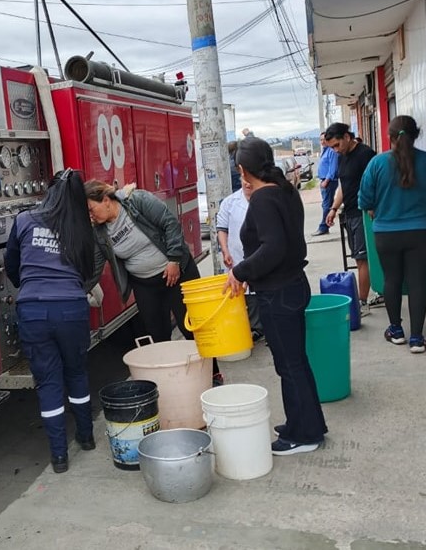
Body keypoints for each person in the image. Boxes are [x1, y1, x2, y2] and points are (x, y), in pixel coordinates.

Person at [225, 137, 327, 455]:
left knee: (290, 365)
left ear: (242, 168)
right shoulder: (284, 190)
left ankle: (304, 435)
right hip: (291, 285)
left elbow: (273, 247)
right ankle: (307, 422)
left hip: (278, 292)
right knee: (296, 362)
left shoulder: (263, 199)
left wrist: (239, 272)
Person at [84, 179, 223, 383]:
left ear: (105, 200)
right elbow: (95, 267)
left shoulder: (136, 200)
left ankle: (213, 374)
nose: (90, 215)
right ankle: (170, 382)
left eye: (90, 208)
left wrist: (174, 259)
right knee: (157, 335)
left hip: (178, 274)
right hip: (144, 284)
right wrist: (76, 290)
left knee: (192, 327)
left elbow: (170, 223)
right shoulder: (99, 232)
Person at [4, 169, 97, 474]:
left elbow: (12, 266)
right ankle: (86, 438)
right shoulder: (81, 228)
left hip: (33, 311)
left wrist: (30, 286)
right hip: (71, 308)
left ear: (49, 191)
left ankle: (59, 457)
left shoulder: (24, 220)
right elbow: (86, 272)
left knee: (48, 382)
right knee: (77, 373)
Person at [359, 116, 426, 354]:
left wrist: (376, 208)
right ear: (416, 135)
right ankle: (418, 339)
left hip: (386, 234)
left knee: (391, 280)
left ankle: (396, 331)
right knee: (417, 282)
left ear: (389, 137)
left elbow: (364, 200)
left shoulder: (377, 164)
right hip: (421, 233)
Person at [323, 122, 379, 314]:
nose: (335, 150)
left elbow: (377, 183)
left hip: (364, 213)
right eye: (331, 148)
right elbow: (343, 186)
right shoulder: (341, 158)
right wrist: (333, 208)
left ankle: (362, 302)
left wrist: (371, 208)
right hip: (350, 214)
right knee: (358, 258)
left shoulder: (366, 155)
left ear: (347, 137)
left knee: (363, 259)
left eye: (336, 145)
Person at [215, 179, 263, 342]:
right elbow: (222, 228)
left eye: (251, 181)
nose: (248, 185)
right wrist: (225, 250)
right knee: (244, 293)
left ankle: (264, 328)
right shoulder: (229, 202)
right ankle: (251, 328)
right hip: (237, 255)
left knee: (262, 293)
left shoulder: (264, 200)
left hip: (262, 255)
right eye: (244, 181)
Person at [311, 132, 338, 236]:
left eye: (324, 139)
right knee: (325, 204)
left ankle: (323, 227)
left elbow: (333, 168)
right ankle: (324, 225)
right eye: (321, 139)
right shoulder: (324, 151)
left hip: (329, 182)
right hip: (323, 181)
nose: (322, 141)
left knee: (327, 204)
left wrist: (326, 180)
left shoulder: (331, 151)